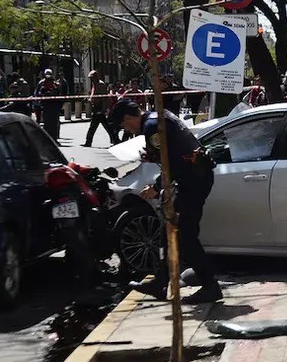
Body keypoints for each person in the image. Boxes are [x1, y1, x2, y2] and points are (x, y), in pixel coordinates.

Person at [109, 99, 223, 304]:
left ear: (127, 118)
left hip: (193, 180)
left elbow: (174, 163)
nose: (128, 129)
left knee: (184, 235)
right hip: (196, 177)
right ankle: (160, 281)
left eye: (125, 125)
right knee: (168, 230)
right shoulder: (159, 116)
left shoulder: (151, 126)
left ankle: (209, 285)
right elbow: (172, 153)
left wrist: (156, 187)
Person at [83, 70, 118, 146]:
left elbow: (104, 98)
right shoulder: (94, 84)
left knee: (100, 126)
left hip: (100, 108)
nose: (91, 79)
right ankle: (115, 139)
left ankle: (89, 142)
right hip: (96, 107)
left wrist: (104, 109)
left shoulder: (101, 85)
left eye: (92, 78)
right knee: (99, 126)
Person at [35, 69, 62, 142]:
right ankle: (46, 139)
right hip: (45, 105)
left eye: (49, 74)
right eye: (47, 74)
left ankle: (54, 139)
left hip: (54, 105)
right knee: (46, 123)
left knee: (54, 123)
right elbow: (38, 93)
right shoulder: (41, 83)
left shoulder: (55, 83)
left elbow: (60, 94)